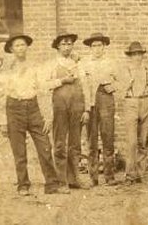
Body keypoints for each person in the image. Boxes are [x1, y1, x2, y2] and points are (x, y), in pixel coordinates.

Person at [0, 34, 69, 196]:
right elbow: (0, 95)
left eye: (23, 45)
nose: (21, 48)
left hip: (33, 108)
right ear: (12, 50)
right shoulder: (6, 70)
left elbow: (43, 89)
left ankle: (52, 184)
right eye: (17, 46)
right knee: (19, 151)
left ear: (27, 47)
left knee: (44, 146)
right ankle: (23, 184)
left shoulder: (35, 66)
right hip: (14, 109)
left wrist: (48, 116)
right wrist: (2, 122)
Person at [48, 30, 89, 189]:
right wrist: (62, 80)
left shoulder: (79, 64)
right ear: (58, 46)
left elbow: (85, 85)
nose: (67, 46)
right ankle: (61, 180)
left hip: (77, 107)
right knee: (60, 143)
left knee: (75, 143)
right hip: (60, 107)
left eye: (69, 43)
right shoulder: (52, 64)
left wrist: (86, 109)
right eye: (63, 43)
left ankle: (74, 178)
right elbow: (45, 85)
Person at [80, 32, 118, 187]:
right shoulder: (84, 63)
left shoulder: (111, 62)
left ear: (104, 47)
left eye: (99, 45)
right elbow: (82, 85)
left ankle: (109, 176)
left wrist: (113, 86)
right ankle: (93, 176)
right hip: (90, 99)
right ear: (90, 48)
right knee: (92, 139)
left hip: (106, 98)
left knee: (108, 136)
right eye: (94, 46)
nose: (97, 49)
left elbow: (122, 80)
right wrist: (86, 107)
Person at [120, 41, 148, 185]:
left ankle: (139, 174)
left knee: (143, 141)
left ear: (142, 55)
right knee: (132, 142)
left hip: (145, 103)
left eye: (139, 54)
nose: (137, 57)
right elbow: (120, 92)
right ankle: (130, 174)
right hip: (131, 103)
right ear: (130, 56)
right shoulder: (125, 71)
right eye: (134, 54)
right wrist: (127, 83)